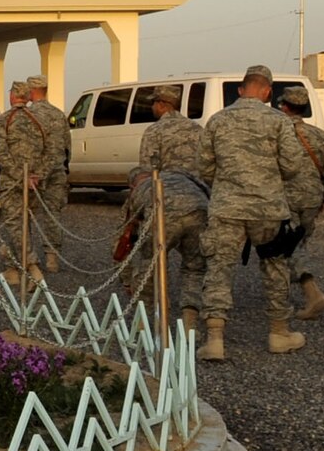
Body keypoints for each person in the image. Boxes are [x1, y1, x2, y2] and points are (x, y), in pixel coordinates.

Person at [197, 64, 312, 360]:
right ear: (267, 92)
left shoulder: (217, 120)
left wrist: (228, 183)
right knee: (275, 268)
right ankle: (278, 333)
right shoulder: (278, 121)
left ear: (240, 89)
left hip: (227, 208)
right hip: (268, 209)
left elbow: (204, 167)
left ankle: (215, 339)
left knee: (220, 268)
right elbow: (293, 166)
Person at [274, 85, 324, 320]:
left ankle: (312, 293)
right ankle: (284, 294)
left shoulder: (276, 133)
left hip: (284, 198)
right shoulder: (317, 135)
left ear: (284, 106)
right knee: (298, 244)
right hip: (312, 199)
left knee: (288, 246)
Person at [116, 164, 209, 330]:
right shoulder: (181, 175)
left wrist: (127, 280)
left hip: (164, 213)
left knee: (150, 264)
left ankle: (142, 323)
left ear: (132, 185)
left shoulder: (139, 191)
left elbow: (122, 242)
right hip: (199, 209)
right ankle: (189, 324)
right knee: (195, 269)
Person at [0, 81, 48, 285]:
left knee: (15, 224)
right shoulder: (40, 120)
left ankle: (32, 268)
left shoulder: (3, 120)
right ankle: (12, 268)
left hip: (13, 182)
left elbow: (3, 155)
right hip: (34, 182)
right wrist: (37, 175)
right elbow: (50, 151)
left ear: (13, 96)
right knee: (23, 226)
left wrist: (20, 176)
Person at [26, 75, 70, 273]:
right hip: (57, 172)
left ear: (31, 91)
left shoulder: (28, 115)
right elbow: (68, 146)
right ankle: (52, 260)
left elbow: (25, 147)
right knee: (53, 215)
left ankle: (27, 258)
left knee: (25, 214)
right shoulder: (59, 114)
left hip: (33, 173)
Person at [138, 84, 203, 179]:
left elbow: (147, 168)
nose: (152, 107)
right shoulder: (197, 128)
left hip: (168, 187)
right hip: (196, 188)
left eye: (153, 103)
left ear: (161, 105)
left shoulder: (154, 130)